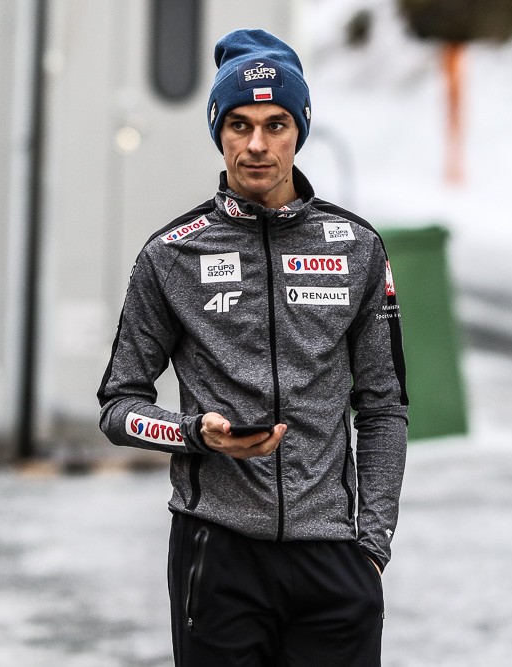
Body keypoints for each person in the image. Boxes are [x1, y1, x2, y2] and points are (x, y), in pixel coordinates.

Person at [98, 28, 408, 666]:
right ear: (219, 132)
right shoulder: (171, 255)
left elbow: (385, 406)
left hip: (333, 560)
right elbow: (117, 407)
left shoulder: (356, 248)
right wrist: (193, 433)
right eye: (239, 125)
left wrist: (371, 547)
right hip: (219, 556)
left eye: (276, 124)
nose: (258, 145)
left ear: (300, 130)